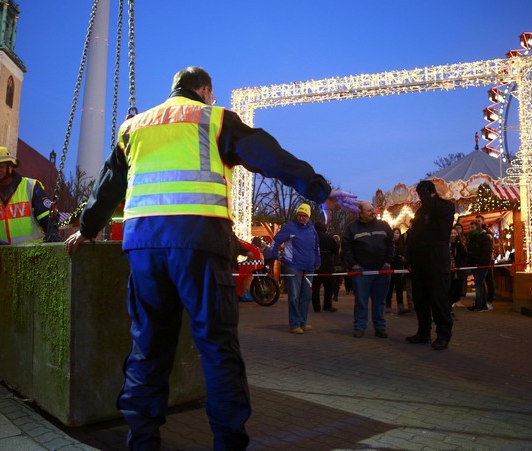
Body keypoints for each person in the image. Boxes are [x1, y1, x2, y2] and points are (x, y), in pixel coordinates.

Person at [63, 66, 357, 450]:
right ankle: (228, 442)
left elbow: (106, 187)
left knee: (147, 347)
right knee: (217, 349)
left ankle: (142, 441)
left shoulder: (132, 128)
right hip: (200, 241)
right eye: (212, 94)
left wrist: (86, 230)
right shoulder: (214, 118)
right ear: (204, 89)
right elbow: (271, 157)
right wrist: (320, 191)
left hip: (144, 245)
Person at [0, 146, 61, 375]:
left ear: (10, 166)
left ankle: (41, 358)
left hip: (33, 261)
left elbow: (48, 219)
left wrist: (52, 236)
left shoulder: (31, 187)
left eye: (0, 166)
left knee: (37, 311)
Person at [405, 180, 455, 350]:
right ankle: (423, 332)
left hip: (437, 257)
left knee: (438, 298)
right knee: (420, 298)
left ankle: (443, 334)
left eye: (421, 194)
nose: (420, 198)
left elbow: (433, 208)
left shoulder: (445, 206)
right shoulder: (421, 211)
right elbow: (414, 235)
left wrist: (427, 195)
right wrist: (409, 257)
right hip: (420, 259)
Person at [341, 201, 394, 338]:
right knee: (361, 301)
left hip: (382, 271)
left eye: (373, 209)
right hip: (362, 271)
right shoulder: (352, 228)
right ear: (361, 213)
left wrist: (388, 262)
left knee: (379, 301)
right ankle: (359, 326)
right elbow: (346, 247)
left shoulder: (383, 225)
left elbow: (391, 244)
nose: (373, 212)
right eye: (369, 210)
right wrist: (353, 264)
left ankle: (380, 327)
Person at [272, 204, 320, 333]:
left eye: (304, 216)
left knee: (306, 296)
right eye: (299, 215)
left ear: (309, 217)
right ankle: (294, 324)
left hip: (309, 267)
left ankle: (302, 322)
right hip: (293, 266)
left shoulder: (312, 229)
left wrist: (317, 259)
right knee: (294, 296)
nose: (301, 218)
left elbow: (316, 246)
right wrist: (274, 254)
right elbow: (276, 240)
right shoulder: (290, 227)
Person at [311, 221, 339, 313]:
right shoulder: (328, 237)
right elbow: (336, 249)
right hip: (327, 265)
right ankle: (327, 305)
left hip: (315, 265)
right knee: (329, 287)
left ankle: (316, 306)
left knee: (315, 287)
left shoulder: (312, 237)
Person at [466, 221, 493, 313]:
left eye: (472, 228)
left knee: (479, 284)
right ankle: (480, 304)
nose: (470, 230)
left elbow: (486, 253)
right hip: (475, 264)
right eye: (470, 228)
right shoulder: (474, 238)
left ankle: (480, 305)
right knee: (479, 284)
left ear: (478, 228)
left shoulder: (485, 238)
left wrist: (480, 264)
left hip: (481, 265)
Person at [386, 228, 410, 315]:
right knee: (389, 288)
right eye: (394, 233)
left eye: (397, 233)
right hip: (390, 269)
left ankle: (401, 307)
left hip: (399, 270)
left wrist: (404, 259)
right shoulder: (388, 245)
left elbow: (405, 256)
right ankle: (388, 305)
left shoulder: (402, 246)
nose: (395, 234)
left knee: (399, 289)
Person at [475, 214, 495, 310]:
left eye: (479, 220)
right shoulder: (477, 232)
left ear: (483, 221)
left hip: (487, 260)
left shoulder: (487, 232)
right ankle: (482, 301)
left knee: (489, 279)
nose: (478, 222)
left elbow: (489, 247)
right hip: (481, 260)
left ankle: (490, 300)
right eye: (477, 221)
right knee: (482, 281)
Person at [448, 226, 468, 317]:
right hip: (448, 271)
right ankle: (448, 309)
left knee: (456, 291)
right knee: (449, 290)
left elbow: (464, 255)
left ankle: (449, 306)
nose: (453, 235)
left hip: (458, 271)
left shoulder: (460, 244)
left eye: (455, 233)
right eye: (451, 233)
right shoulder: (446, 245)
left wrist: (458, 244)